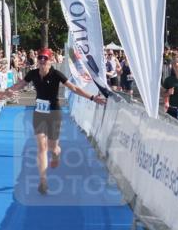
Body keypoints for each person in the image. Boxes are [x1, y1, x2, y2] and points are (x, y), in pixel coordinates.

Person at [7, 47, 105, 194]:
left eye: (45, 58)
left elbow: (73, 88)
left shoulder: (56, 74)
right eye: (40, 58)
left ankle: (56, 154)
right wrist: (8, 91)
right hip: (39, 113)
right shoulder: (33, 73)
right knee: (41, 147)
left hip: (54, 113)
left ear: (50, 60)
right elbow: (19, 85)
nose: (41, 60)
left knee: (53, 147)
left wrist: (92, 97)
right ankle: (43, 181)